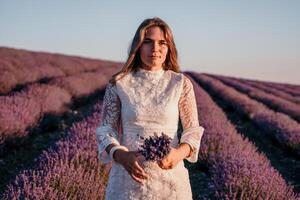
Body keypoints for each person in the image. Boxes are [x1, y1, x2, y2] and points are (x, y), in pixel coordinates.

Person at [95, 17, 205, 200]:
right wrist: (121, 155)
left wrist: (178, 154)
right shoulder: (119, 83)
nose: (155, 49)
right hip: (127, 181)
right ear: (138, 46)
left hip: (170, 182)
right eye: (148, 42)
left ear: (169, 47)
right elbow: (106, 129)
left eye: (162, 43)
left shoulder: (181, 84)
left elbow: (192, 131)